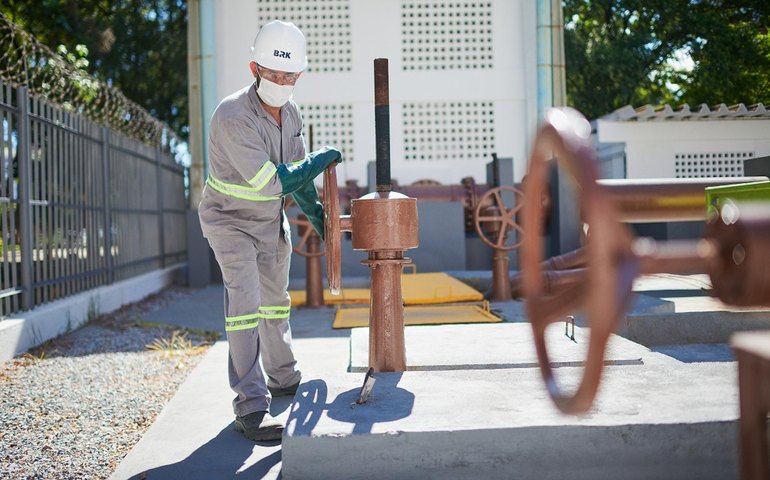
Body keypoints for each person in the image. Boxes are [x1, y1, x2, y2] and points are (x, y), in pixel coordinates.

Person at [198, 19, 341, 442]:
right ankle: (250, 405)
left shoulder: (292, 112)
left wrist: (319, 219)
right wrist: (322, 157)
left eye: (288, 76)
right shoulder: (232, 115)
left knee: (276, 304)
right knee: (245, 303)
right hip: (229, 221)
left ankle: (283, 377)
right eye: (273, 74)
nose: (280, 82)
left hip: (267, 222)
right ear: (253, 69)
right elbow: (273, 181)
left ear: (299, 75)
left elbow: (300, 180)